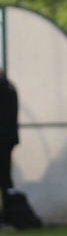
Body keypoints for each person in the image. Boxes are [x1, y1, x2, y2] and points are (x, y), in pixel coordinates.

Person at [0, 67, 19, 219]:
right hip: (8, 139)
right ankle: (9, 213)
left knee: (5, 177)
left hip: (3, 139)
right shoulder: (10, 88)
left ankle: (7, 214)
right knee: (6, 177)